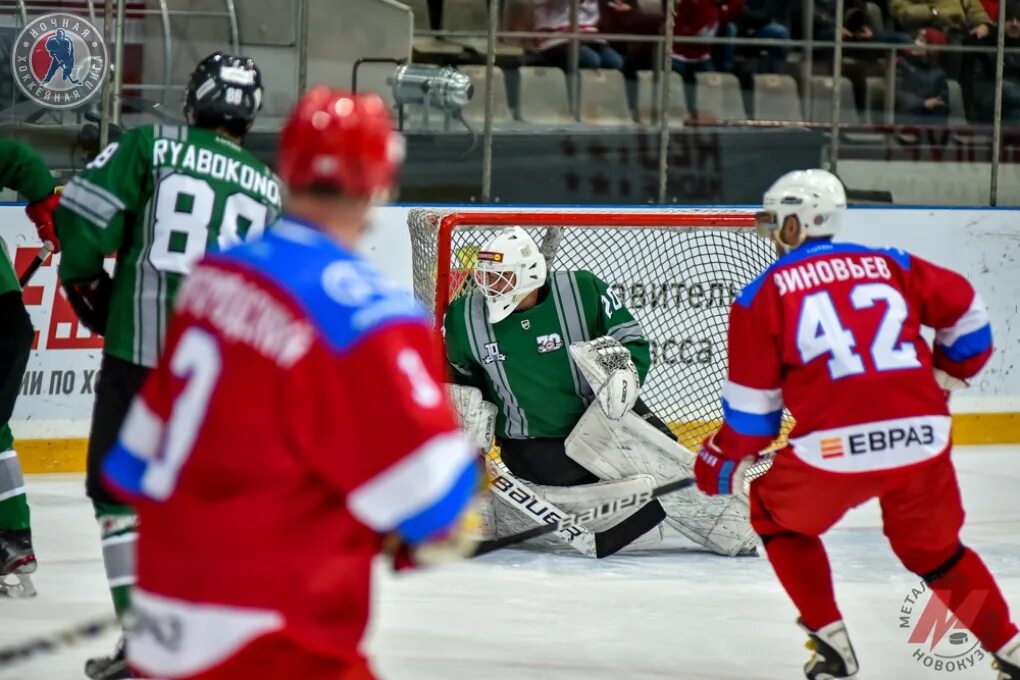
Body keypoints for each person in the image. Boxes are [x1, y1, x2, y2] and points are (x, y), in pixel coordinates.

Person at [103, 86, 482, 680]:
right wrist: (436, 519)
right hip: (273, 640)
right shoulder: (369, 315)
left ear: (286, 173)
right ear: (380, 185)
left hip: (160, 620)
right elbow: (433, 506)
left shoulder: (213, 278)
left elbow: (133, 463)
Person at [694, 168, 1019, 679]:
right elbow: (971, 320)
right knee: (938, 553)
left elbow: (755, 423)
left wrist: (721, 454)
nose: (770, 228)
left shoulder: (762, 295)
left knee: (773, 516)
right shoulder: (891, 263)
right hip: (924, 438)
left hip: (835, 448)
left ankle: (831, 643)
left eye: (775, 218)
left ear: (795, 223)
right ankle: (1010, 649)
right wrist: (948, 374)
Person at [53, 51, 280, 680]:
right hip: (224, 379)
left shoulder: (155, 144)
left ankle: (146, 645)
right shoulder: (268, 188)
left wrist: (81, 277)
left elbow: (82, 215)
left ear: (195, 100)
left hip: (144, 356)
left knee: (120, 498)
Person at [444, 228, 757, 558]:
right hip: (531, 445)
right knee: (617, 491)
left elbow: (630, 338)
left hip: (608, 416)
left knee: (669, 464)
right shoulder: (464, 317)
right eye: (486, 277)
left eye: (502, 277)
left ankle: (741, 528)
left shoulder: (583, 290)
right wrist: (466, 418)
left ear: (531, 274)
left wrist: (625, 370)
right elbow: (462, 378)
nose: (490, 286)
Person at [0, 140, 61, 598]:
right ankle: (13, 538)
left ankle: (11, 538)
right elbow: (20, 158)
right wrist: (44, 202)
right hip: (9, 322)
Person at [895, 28, 951, 124]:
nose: (916, 42)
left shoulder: (939, 72)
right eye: (917, 39)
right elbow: (897, 95)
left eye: (921, 41)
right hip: (906, 116)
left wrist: (938, 100)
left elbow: (943, 95)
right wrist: (923, 103)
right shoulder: (901, 64)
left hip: (930, 118)